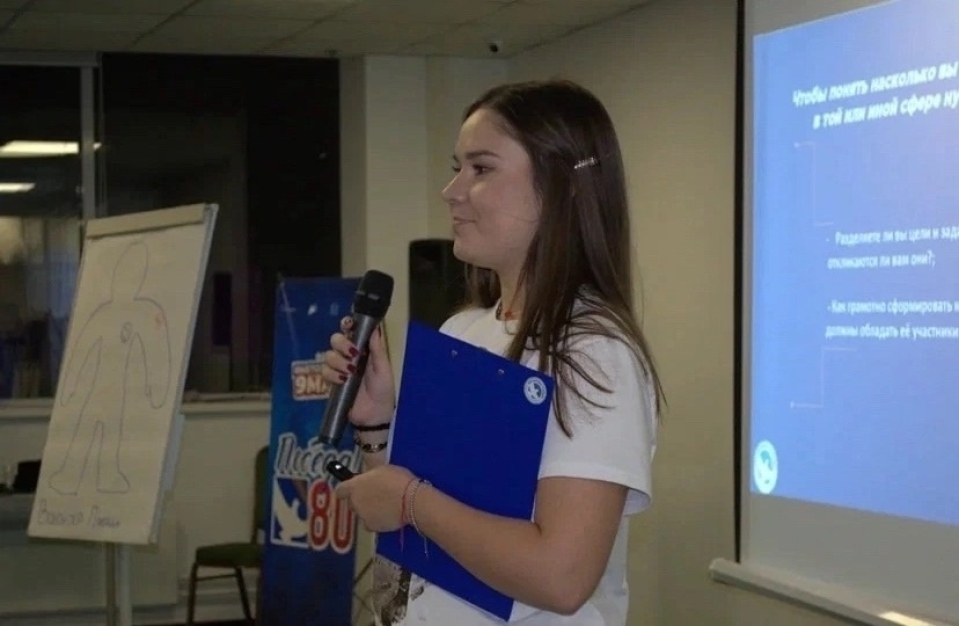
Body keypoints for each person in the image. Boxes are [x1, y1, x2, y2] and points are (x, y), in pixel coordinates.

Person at [320, 78, 664, 625]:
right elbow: (419, 522)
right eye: (457, 168)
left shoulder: (592, 352)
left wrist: (411, 500)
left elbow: (562, 577)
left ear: (561, 187)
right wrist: (376, 424)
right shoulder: (462, 333)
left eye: (481, 169)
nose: (451, 191)